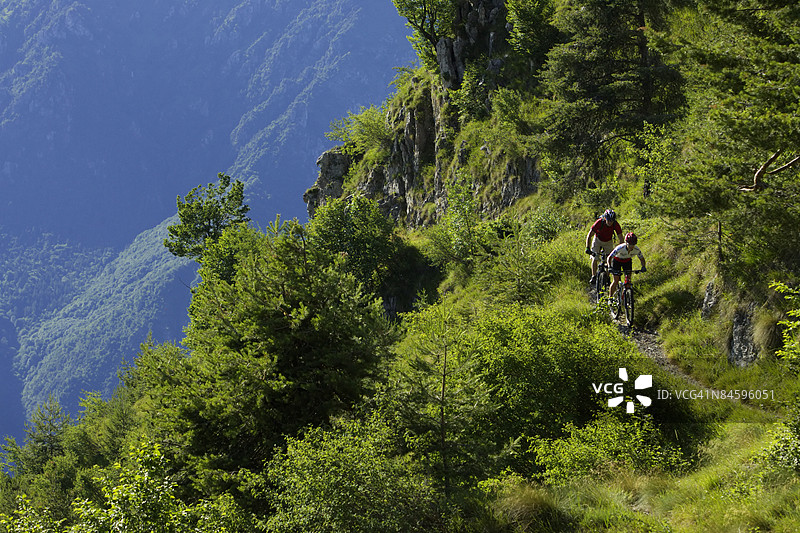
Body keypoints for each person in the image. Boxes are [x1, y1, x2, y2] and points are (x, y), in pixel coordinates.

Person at [585, 209, 623, 284]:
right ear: (605, 218)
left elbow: (621, 238)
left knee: (609, 259)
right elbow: (589, 235)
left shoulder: (615, 224)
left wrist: (621, 250)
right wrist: (587, 248)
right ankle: (594, 276)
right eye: (608, 220)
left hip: (608, 241)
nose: (610, 222)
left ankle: (607, 277)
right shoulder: (599, 222)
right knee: (595, 257)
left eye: (612, 221)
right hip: (598, 239)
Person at [607, 232, 646, 298]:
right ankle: (610, 297)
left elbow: (642, 259)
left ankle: (625, 297)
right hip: (617, 261)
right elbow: (609, 257)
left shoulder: (636, 249)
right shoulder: (620, 248)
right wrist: (609, 267)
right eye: (630, 244)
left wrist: (643, 266)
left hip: (627, 261)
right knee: (616, 281)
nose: (631, 246)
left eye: (633, 244)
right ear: (626, 243)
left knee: (628, 280)